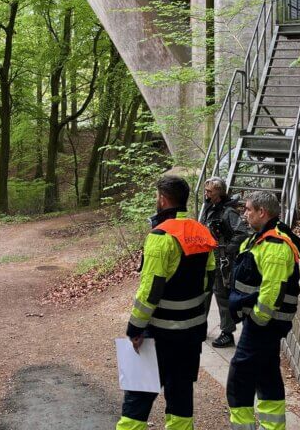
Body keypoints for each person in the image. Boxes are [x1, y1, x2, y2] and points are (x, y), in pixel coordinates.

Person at [116, 174, 218, 430]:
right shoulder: (202, 232)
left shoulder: (161, 236)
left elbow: (150, 292)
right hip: (192, 333)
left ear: (162, 199)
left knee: (138, 396)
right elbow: (209, 279)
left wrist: (135, 328)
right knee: (181, 395)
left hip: (159, 333)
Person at [226, 191, 300, 430]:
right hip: (263, 323)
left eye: (248, 209)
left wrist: (257, 319)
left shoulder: (276, 244)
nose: (245, 213)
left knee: (240, 374)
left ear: (262, 212)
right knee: (267, 374)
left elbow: (272, 290)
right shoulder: (261, 238)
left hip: (264, 324)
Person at [199, 177, 250, 348]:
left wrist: (227, 248)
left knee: (221, 295)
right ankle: (199, 327)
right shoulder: (209, 207)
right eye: (206, 190)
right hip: (207, 258)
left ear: (219, 193)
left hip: (222, 260)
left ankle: (227, 333)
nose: (206, 194)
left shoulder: (229, 212)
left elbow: (242, 232)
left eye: (209, 191)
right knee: (204, 292)